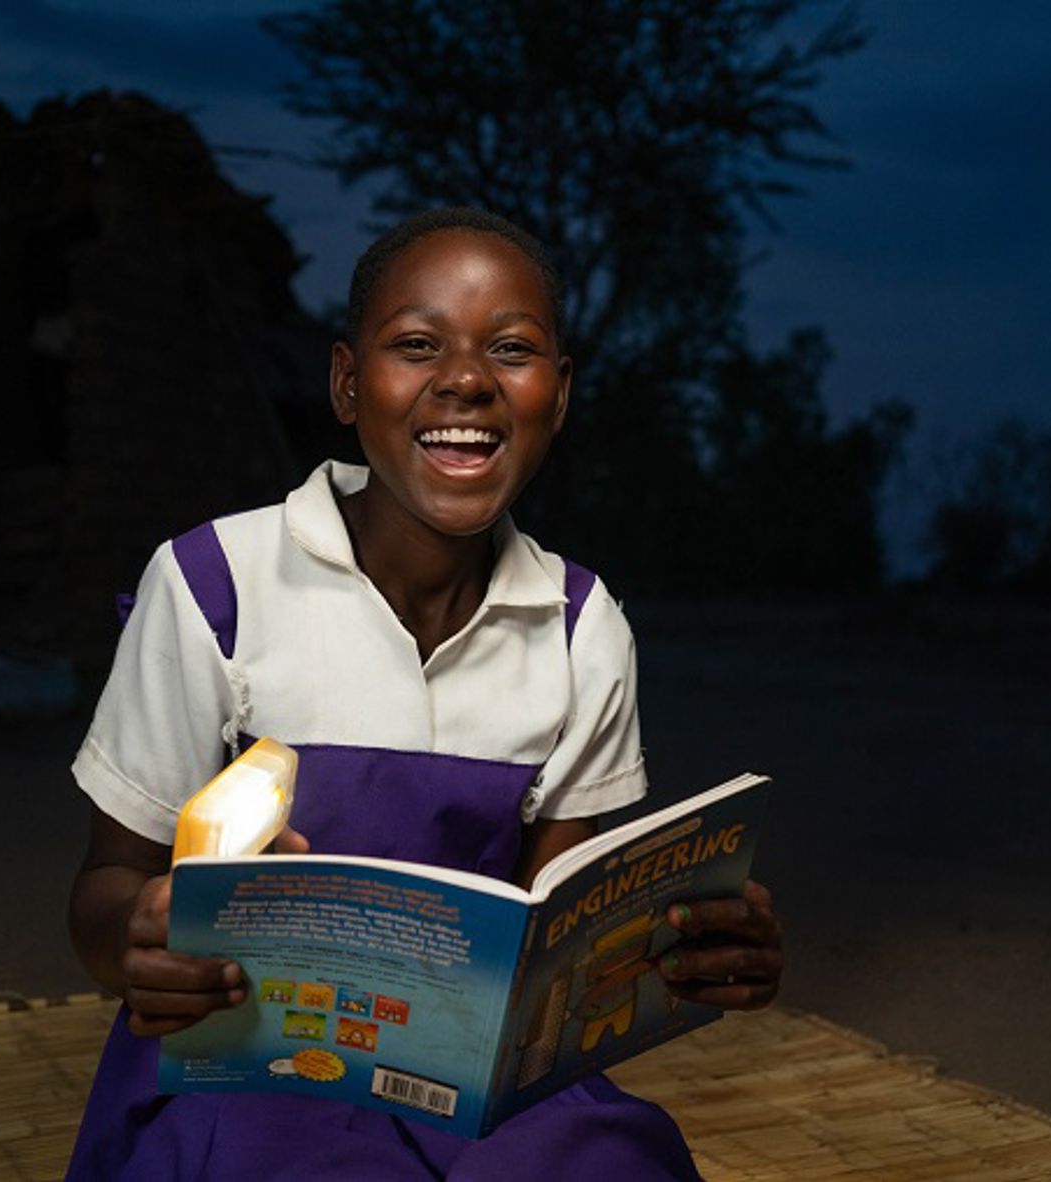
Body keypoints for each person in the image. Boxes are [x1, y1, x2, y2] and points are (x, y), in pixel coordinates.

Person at [65, 207, 784, 1180]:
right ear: (347, 384)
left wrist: (685, 947)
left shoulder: (580, 626)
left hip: (469, 1081)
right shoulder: (213, 585)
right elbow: (105, 886)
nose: (465, 380)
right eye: (415, 344)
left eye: (513, 349)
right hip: (247, 1063)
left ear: (557, 395)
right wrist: (139, 941)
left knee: (609, 1164)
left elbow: (559, 925)